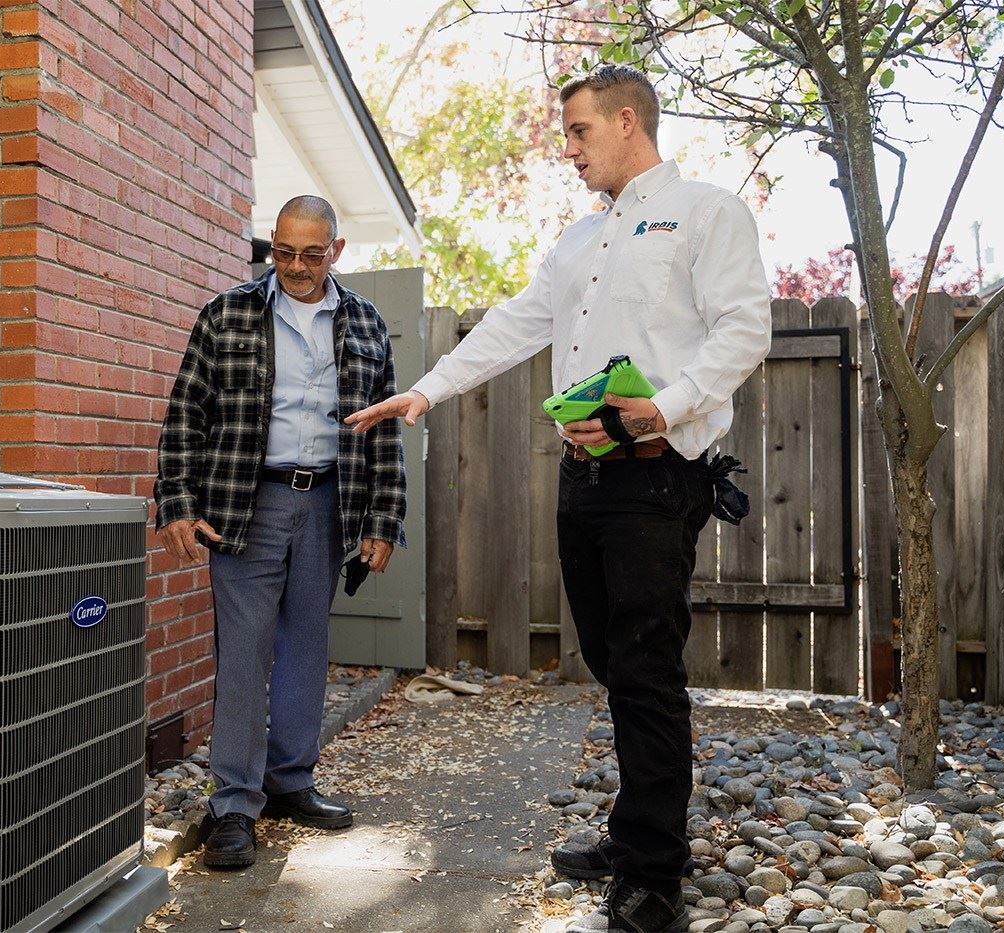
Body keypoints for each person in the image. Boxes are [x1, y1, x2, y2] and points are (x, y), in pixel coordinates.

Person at [346, 65, 771, 932]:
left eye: (578, 132)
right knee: (616, 667)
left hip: (658, 473)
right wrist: (428, 389)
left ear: (626, 122)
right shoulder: (578, 242)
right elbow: (514, 323)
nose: (568, 149)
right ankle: (633, 831)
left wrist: (669, 403)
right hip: (583, 477)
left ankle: (653, 875)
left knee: (647, 671)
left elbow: (744, 327)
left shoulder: (706, 212)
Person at [154, 195, 407, 871]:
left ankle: (290, 781)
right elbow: (185, 412)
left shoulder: (364, 324)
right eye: (284, 252)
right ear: (273, 244)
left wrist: (384, 518)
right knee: (243, 651)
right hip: (248, 501)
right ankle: (234, 802)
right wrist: (176, 500)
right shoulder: (228, 312)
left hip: (328, 500)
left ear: (337, 250)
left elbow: (382, 428)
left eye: (311, 254)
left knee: (305, 647)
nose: (296, 267)